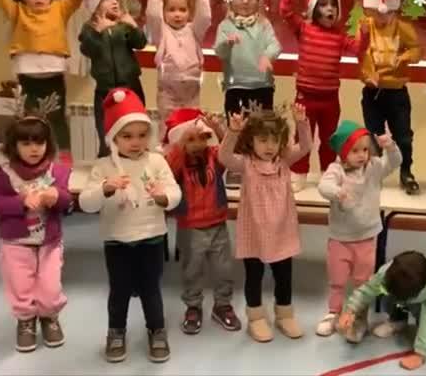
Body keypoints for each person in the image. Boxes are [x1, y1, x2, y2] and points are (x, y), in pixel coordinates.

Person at [78, 88, 182, 363]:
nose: (136, 142)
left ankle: (156, 330)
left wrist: (163, 197)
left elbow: (175, 192)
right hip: (117, 240)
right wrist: (105, 188)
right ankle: (116, 331)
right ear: (113, 138)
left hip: (152, 238)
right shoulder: (103, 166)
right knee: (119, 290)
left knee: (151, 288)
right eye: (127, 136)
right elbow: (86, 203)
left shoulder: (156, 161)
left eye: (142, 135)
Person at [218, 102, 311, 342]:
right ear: (251, 141)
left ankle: (284, 314)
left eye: (274, 140)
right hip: (254, 232)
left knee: (284, 276)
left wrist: (301, 122)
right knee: (254, 275)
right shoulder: (246, 163)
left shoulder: (284, 161)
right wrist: (233, 131)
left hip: (283, 231)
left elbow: (306, 146)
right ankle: (256, 317)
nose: (269, 146)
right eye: (262, 140)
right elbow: (224, 156)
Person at [0, 102, 72, 353]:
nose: (34, 149)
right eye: (26, 143)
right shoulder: (4, 173)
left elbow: (67, 201)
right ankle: (25, 321)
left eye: (39, 143)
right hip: (15, 242)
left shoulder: (57, 171)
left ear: (48, 144)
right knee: (20, 284)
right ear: (14, 146)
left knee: (50, 286)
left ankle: (49, 316)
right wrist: (21, 201)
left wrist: (57, 196)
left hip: (49, 241)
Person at [280, 0, 368, 192]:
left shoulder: (339, 36)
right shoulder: (304, 28)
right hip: (305, 97)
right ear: (314, 8)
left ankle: (328, 174)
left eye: (333, 5)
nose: (330, 9)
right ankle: (299, 173)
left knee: (329, 138)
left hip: (330, 98)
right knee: (303, 136)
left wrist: (365, 34)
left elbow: (358, 50)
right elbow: (286, 11)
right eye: (324, 5)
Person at [0, 0, 82, 165]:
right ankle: (26, 157)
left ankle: (64, 157)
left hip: (54, 73)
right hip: (27, 74)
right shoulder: (18, 11)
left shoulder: (60, 9)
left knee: (57, 118)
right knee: (29, 120)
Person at [315, 120, 402, 340]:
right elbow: (323, 186)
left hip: (367, 237)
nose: (362, 155)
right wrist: (337, 192)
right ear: (343, 152)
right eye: (355, 151)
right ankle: (333, 312)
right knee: (337, 280)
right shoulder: (336, 170)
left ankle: (360, 317)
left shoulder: (374, 167)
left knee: (363, 281)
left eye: (365, 149)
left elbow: (395, 162)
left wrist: (389, 146)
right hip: (340, 238)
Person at [162, 108, 240, 335]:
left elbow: (229, 151)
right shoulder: (177, 162)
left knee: (224, 269)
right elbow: (167, 171)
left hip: (217, 224)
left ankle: (222, 305)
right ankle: (193, 306)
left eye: (202, 138)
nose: (198, 144)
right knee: (192, 270)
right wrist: (180, 145)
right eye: (191, 140)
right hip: (190, 227)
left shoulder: (214, 156)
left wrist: (219, 129)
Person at [358, 0, 423, 194]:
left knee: (403, 135)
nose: (382, 17)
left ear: (393, 10)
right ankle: (373, 175)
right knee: (373, 136)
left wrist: (406, 57)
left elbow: (417, 49)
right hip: (372, 91)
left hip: (396, 92)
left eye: (386, 13)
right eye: (377, 13)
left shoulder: (402, 28)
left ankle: (406, 172)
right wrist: (367, 75)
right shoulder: (365, 27)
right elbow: (360, 52)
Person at [338, 250, 426, 371]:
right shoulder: (385, 274)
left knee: (424, 320)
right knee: (387, 296)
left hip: (420, 299)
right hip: (401, 291)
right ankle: (397, 320)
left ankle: (418, 328)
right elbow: (366, 291)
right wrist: (350, 311)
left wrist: (421, 354)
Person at [78, 0, 147, 157]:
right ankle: (107, 162)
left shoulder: (122, 24)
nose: (114, 1)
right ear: (96, 3)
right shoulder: (90, 28)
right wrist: (98, 32)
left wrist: (133, 26)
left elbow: (140, 43)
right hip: (105, 91)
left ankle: (136, 161)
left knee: (135, 126)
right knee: (106, 133)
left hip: (131, 88)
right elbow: (87, 50)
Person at [145, 0, 212, 141]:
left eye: (182, 10)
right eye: (171, 9)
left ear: (189, 12)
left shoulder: (194, 30)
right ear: (164, 11)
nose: (177, 14)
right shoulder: (161, 32)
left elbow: (205, 16)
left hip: (192, 94)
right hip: (168, 95)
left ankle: (189, 158)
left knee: (191, 132)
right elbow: (152, 14)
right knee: (169, 133)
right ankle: (167, 156)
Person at [214, 0, 282, 114]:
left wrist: (267, 56)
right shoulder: (225, 25)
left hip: (262, 86)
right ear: (231, 0)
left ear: (258, 0)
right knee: (236, 124)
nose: (245, 2)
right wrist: (227, 43)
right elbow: (220, 52)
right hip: (235, 87)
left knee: (262, 125)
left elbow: (275, 45)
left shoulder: (263, 24)